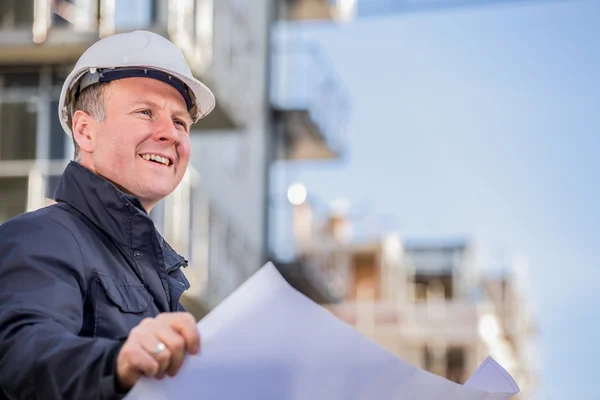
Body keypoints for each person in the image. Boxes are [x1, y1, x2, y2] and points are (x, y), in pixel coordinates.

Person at [0, 30, 216, 399]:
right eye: (146, 112)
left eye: (180, 122)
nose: (170, 134)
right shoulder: (41, 238)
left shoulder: (161, 279)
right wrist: (116, 363)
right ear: (85, 131)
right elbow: (23, 353)